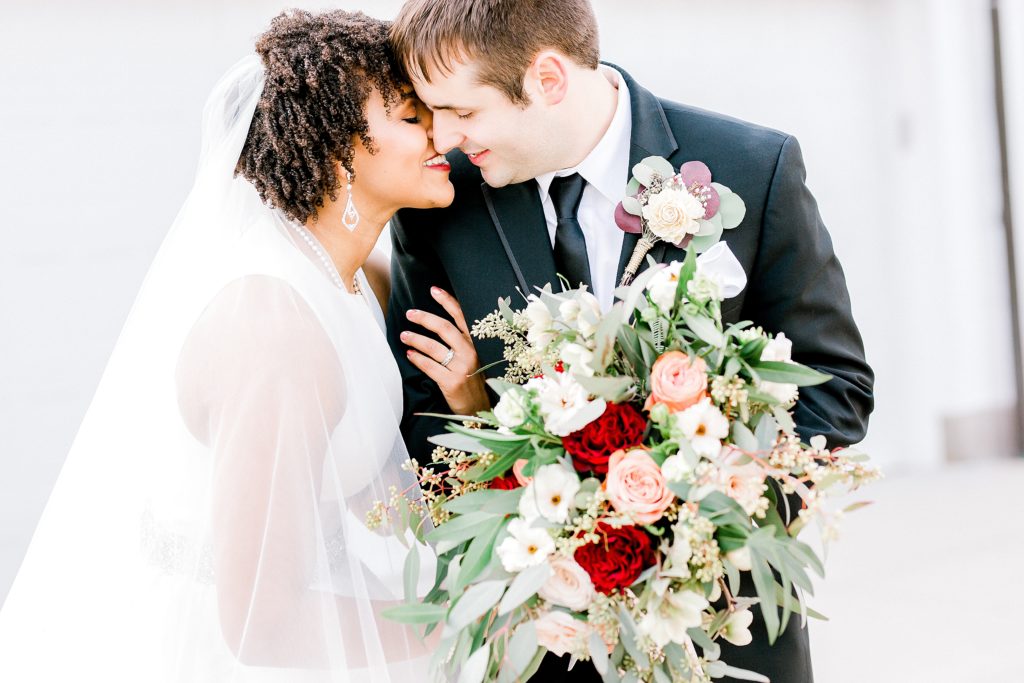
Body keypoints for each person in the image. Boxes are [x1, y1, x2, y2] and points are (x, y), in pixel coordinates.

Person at [386, 1, 875, 681]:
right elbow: (418, 418)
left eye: (463, 113)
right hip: (541, 640)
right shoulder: (443, 207)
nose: (442, 137)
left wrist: (699, 525)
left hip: (724, 632)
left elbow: (836, 385)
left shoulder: (752, 167)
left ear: (548, 78)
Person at [0, 9, 473, 681]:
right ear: (342, 149)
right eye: (408, 116)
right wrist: (475, 622)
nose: (439, 131)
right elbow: (261, 622)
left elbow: (379, 496)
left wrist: (474, 408)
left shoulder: (350, 277)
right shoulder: (274, 328)